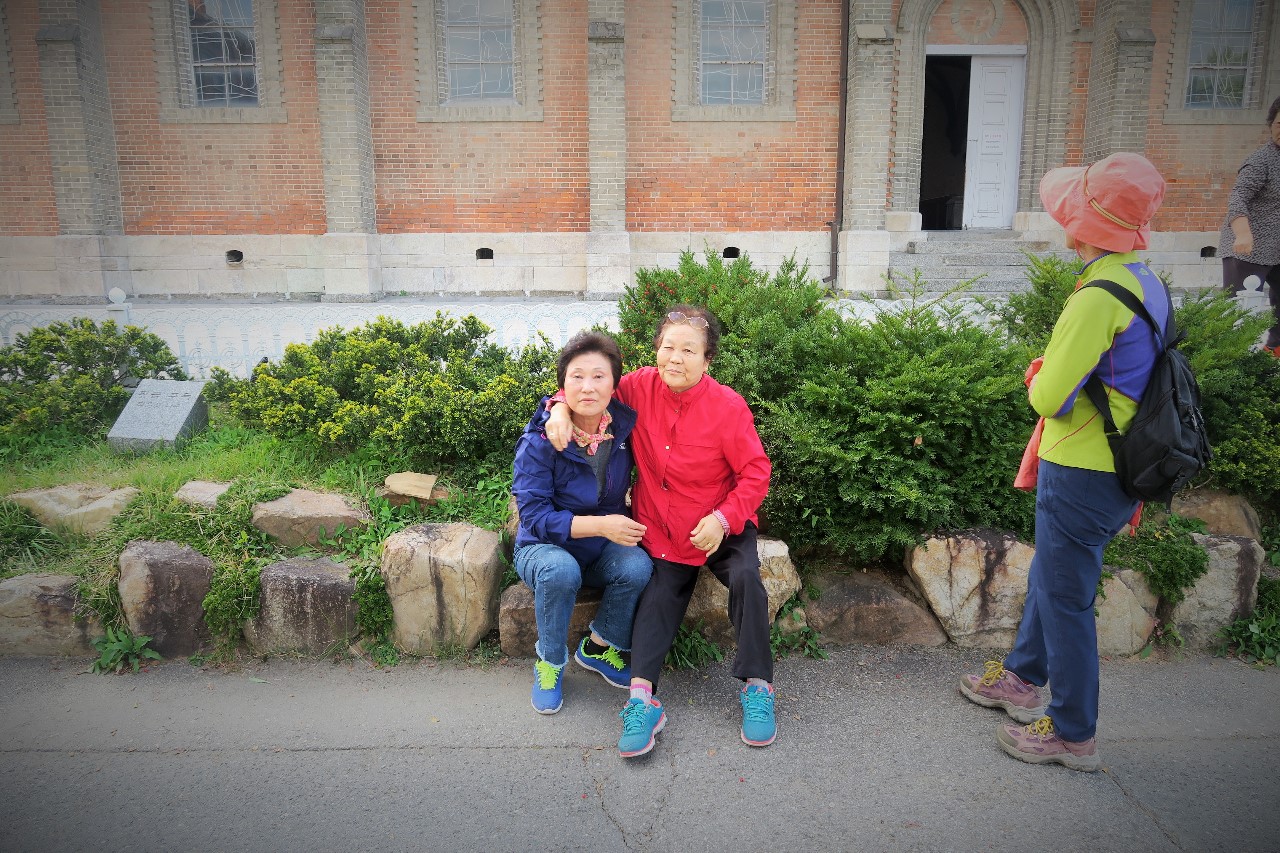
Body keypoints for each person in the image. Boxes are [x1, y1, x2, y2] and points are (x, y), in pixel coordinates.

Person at [959, 152, 1168, 772]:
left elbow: (1049, 397)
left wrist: (1037, 376)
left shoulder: (1097, 297)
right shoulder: (1146, 282)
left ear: (1086, 225)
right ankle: (1023, 678)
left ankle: (1074, 733)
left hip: (1083, 467)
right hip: (1121, 465)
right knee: (1054, 580)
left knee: (1066, 598)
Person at [543, 306, 774, 757]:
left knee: (747, 578)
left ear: (707, 359)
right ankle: (641, 701)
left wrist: (724, 518)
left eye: (689, 350)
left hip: (719, 524)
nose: (675, 358)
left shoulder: (728, 407)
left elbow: (755, 472)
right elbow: (590, 387)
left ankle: (758, 687)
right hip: (664, 529)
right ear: (656, 351)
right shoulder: (637, 387)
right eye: (668, 347)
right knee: (657, 600)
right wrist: (557, 408)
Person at [512, 331, 653, 715]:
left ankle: (598, 647)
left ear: (614, 385)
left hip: (595, 549)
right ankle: (550, 661)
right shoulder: (541, 440)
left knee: (637, 565)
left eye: (598, 376)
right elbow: (535, 518)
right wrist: (603, 526)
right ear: (562, 385)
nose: (587, 387)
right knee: (560, 570)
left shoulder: (622, 428)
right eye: (577, 376)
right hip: (543, 548)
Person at [1219, 95, 1280, 355]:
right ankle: (1232, 358)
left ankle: (1274, 350)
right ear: (1271, 125)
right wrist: (1243, 234)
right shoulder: (1261, 160)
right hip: (1248, 248)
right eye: (1279, 124)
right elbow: (1238, 197)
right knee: (1239, 309)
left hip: (1277, 247)